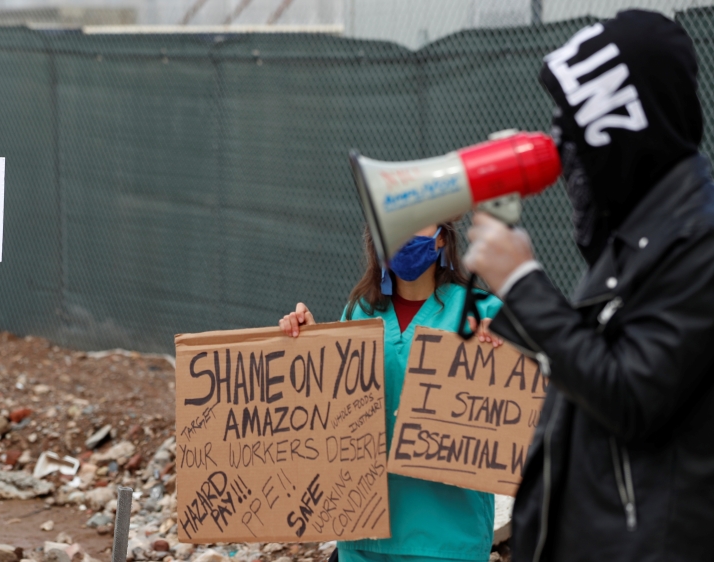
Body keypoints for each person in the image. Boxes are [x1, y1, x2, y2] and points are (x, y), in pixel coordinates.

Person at [464, 10, 714, 562]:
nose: (566, 155)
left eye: (576, 134)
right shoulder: (644, 232)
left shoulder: (700, 242)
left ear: (624, 127)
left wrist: (523, 284)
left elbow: (632, 393)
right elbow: (601, 360)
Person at [280, 223, 503, 562]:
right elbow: (332, 413)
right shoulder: (359, 312)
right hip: (362, 537)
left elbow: (530, 394)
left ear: (442, 237)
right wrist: (310, 346)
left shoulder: (483, 311)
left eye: (418, 219)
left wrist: (506, 347)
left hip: (447, 541)